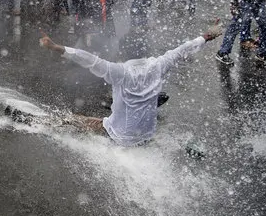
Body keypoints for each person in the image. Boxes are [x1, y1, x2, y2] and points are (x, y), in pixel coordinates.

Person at [31, 23, 223, 147]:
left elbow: (88, 59)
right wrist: (208, 35)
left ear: (124, 53)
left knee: (75, 120)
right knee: (152, 98)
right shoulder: (158, 65)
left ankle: (31, 122)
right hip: (146, 135)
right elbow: (184, 49)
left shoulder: (119, 71)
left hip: (121, 137)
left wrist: (56, 47)